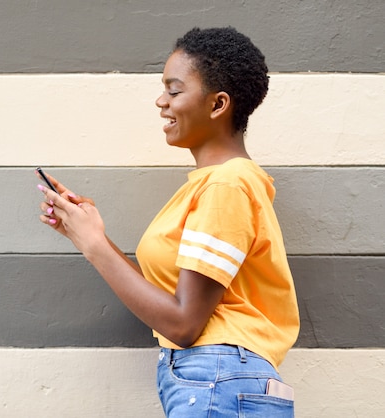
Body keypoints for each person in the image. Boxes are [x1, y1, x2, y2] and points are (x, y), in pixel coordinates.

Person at [36, 27, 299, 417]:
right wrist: (91, 234)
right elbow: (172, 304)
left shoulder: (227, 184)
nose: (161, 102)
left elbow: (183, 323)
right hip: (218, 381)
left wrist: (94, 247)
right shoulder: (212, 185)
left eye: (174, 90)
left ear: (217, 104)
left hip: (218, 379)